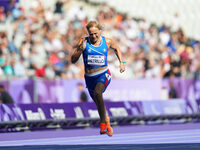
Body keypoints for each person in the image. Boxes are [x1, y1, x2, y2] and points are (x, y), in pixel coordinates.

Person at [71, 20, 125, 136]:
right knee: (98, 102)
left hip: (103, 74)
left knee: (98, 93)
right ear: (88, 33)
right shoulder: (83, 42)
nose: (94, 36)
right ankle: (107, 121)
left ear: (100, 31)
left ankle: (102, 123)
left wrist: (122, 62)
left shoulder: (107, 41)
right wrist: (80, 49)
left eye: (96, 33)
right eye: (91, 34)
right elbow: (73, 60)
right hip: (89, 78)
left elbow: (117, 49)